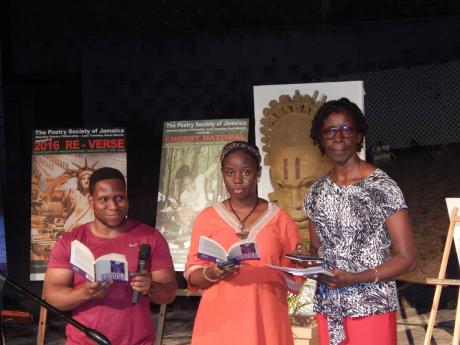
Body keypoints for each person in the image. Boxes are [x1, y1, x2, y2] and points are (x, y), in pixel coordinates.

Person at [303, 98, 417, 345]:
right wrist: (303, 265)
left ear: (358, 136)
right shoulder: (316, 191)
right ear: (320, 139)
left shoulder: (381, 187)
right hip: (330, 304)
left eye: (346, 129)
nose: (338, 136)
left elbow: (407, 257)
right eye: (330, 130)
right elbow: (316, 250)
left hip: (371, 303)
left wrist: (355, 278)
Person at [184, 141, 303, 345]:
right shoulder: (207, 218)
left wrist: (302, 265)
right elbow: (193, 276)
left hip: (266, 321)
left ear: (258, 174)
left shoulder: (281, 219)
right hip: (219, 324)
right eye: (230, 173)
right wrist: (212, 273)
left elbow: (295, 281)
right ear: (222, 175)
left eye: (246, 172)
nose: (237, 180)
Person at [44, 167, 177, 344]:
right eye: (103, 199)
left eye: (119, 198)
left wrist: (150, 286)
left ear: (127, 197)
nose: (113, 206)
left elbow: (169, 294)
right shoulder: (71, 241)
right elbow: (51, 295)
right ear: (91, 200)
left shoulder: (150, 237)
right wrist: (85, 293)